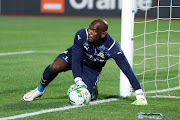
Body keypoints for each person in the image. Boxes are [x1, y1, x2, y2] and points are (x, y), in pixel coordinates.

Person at [23, 19, 148, 105]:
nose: (90, 33)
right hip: (77, 56)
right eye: (90, 29)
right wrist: (78, 81)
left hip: (92, 67)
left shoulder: (113, 49)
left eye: (94, 31)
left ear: (103, 34)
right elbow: (76, 60)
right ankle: (39, 90)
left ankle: (92, 88)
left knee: (86, 98)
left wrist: (139, 94)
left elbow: (127, 69)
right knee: (55, 66)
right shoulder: (81, 35)